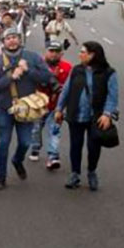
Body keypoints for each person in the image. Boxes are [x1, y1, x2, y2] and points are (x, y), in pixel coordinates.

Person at [0, 28, 54, 189]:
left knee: (25, 142)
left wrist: (28, 70)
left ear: (20, 39)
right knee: (4, 143)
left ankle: (17, 160)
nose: (12, 40)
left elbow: (46, 77)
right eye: (8, 38)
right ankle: (0, 177)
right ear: (3, 41)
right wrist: (11, 77)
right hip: (5, 108)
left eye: (14, 37)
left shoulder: (32, 57)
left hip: (27, 109)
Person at [54, 41, 118, 191]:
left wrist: (107, 114)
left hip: (96, 117)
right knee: (75, 145)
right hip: (76, 114)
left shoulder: (109, 73)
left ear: (92, 55)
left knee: (93, 146)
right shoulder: (77, 70)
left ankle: (91, 172)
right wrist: (59, 108)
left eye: (83, 52)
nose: (79, 54)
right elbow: (66, 90)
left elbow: (112, 96)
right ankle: (75, 173)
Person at [28, 40, 71, 169]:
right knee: (36, 128)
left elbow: (69, 88)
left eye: (56, 52)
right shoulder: (38, 65)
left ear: (61, 54)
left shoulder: (68, 68)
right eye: (51, 51)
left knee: (54, 131)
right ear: (46, 52)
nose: (53, 54)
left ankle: (53, 156)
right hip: (39, 103)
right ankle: (35, 147)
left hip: (57, 106)